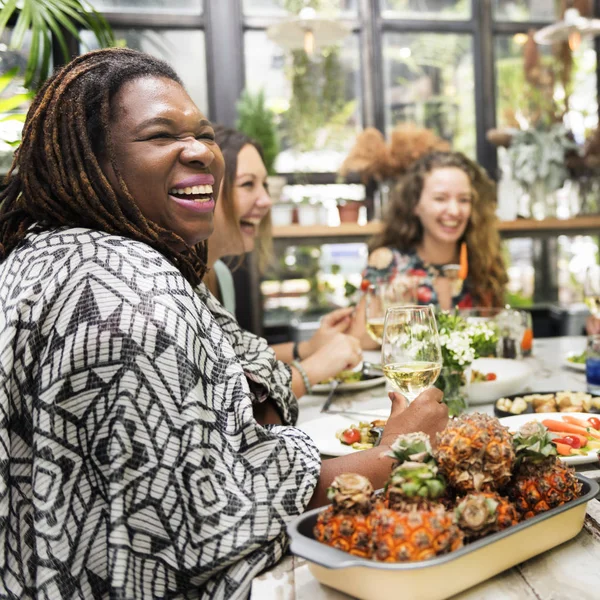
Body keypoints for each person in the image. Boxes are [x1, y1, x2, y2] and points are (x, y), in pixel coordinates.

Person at [0, 48, 448, 599]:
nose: (200, 152)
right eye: (160, 135)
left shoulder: (52, 253)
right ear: (91, 161)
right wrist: (395, 452)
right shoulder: (123, 291)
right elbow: (204, 528)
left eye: (203, 133)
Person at [205, 125, 362, 399]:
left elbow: (238, 358)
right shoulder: (174, 284)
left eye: (264, 185)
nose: (266, 200)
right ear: (206, 191)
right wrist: (314, 367)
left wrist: (309, 347)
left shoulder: (220, 275)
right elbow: (226, 399)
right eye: (247, 184)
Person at [351, 151, 508, 348]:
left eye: (464, 200)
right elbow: (357, 343)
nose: (454, 210)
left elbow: (497, 337)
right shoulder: (386, 262)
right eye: (440, 198)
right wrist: (393, 310)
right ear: (415, 205)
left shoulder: (483, 261)